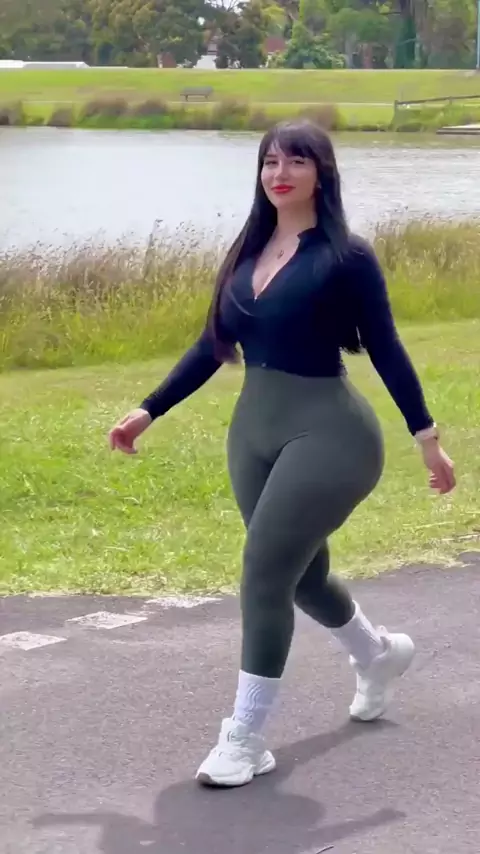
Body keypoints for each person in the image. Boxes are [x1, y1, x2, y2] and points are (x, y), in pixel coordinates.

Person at [108, 120, 456, 789]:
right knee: (300, 576)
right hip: (254, 433)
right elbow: (212, 345)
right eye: (270, 161)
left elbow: (386, 349)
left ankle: (244, 737)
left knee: (263, 572)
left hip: (332, 435)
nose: (280, 173)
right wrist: (149, 410)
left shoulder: (347, 257)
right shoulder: (247, 248)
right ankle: (377, 654)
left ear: (322, 173)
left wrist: (427, 440)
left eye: (297, 161)